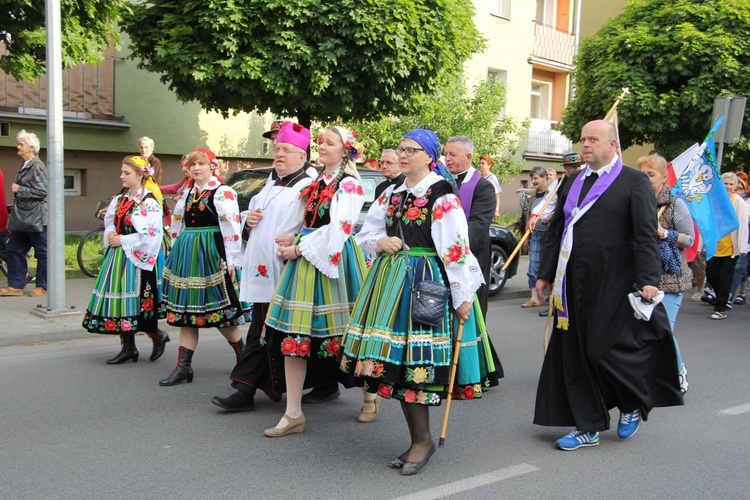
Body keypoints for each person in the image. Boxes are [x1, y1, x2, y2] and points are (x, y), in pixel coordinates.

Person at [339, 129, 496, 476]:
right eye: (401, 148)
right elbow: (365, 233)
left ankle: (422, 442)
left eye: (412, 150)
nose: (404, 154)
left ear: (429, 156)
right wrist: (381, 242)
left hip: (425, 283)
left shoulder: (442, 195)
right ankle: (418, 439)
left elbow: (455, 251)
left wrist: (462, 297)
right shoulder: (392, 193)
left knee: (417, 365)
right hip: (391, 282)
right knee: (396, 365)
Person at [534, 120, 682, 451]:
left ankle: (630, 401)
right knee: (576, 353)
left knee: (604, 349)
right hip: (572, 280)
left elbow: (645, 235)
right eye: (583, 139)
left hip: (616, 280)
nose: (585, 144)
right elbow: (557, 230)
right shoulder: (572, 180)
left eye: (593, 139)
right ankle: (588, 425)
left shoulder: (633, 181)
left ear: (613, 145)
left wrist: (648, 279)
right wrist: (545, 274)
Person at [262, 125, 368, 436]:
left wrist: (298, 247)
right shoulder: (315, 181)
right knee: (294, 336)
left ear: (344, 150)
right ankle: (293, 413)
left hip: (333, 261)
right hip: (304, 260)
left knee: (351, 333)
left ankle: (370, 397)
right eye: (321, 141)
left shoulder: (349, 185)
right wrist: (288, 236)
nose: (322, 146)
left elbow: (339, 230)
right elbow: (301, 219)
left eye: (330, 143)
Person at [211, 122, 321, 412]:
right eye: (276, 149)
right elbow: (256, 216)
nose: (279, 154)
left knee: (272, 331)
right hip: (262, 268)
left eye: (286, 150)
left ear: (302, 155)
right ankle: (321, 383)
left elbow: (313, 228)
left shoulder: (307, 186)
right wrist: (248, 221)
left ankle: (245, 390)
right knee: (264, 329)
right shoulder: (272, 182)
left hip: (287, 269)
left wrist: (295, 244)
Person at [158, 148, 249, 386]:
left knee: (219, 314)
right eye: (192, 165)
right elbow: (178, 226)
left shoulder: (223, 192)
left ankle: (243, 357)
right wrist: (175, 253)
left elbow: (232, 227)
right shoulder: (187, 193)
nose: (196, 169)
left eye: (201, 164)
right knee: (188, 313)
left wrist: (231, 261)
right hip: (188, 256)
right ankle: (183, 368)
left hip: (211, 254)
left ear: (212, 166)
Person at [82, 156, 170, 363]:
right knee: (122, 299)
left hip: (137, 256)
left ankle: (157, 335)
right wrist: (111, 235)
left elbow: (152, 233)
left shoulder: (148, 202)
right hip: (118, 255)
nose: (121, 176)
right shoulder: (121, 199)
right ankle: (129, 347)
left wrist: (124, 240)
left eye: (126, 173)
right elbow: (110, 220)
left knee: (139, 300)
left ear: (140, 175)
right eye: (122, 172)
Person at [636, 154, 694, 393]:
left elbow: (689, 240)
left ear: (663, 177)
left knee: (663, 331)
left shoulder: (675, 204)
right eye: (642, 174)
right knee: (640, 332)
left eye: (651, 174)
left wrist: (663, 233)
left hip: (669, 280)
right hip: (640, 278)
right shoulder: (636, 202)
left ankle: (678, 371)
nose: (646, 179)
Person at [444, 136, 495, 318]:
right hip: (444, 255)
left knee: (471, 313)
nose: (447, 158)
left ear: (468, 157)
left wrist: (449, 241)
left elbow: (479, 225)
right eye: (445, 154)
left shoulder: (483, 187)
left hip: (472, 255)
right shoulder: (441, 183)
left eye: (453, 154)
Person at [0, 130, 48, 297]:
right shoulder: (25, 165)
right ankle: (15, 285)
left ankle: (43, 286)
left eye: (21, 144)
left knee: (43, 252)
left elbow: (43, 191)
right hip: (23, 218)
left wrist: (20, 189)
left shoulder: (37, 166)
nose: (18, 146)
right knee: (13, 249)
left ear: (32, 147)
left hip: (36, 218)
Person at [704, 172, 748, 320]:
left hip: (730, 248)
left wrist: (742, 247)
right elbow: (706, 224)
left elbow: (742, 225)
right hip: (714, 246)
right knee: (711, 275)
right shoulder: (713, 200)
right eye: (725, 183)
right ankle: (723, 294)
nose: (728, 187)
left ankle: (720, 308)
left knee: (725, 278)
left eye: (731, 184)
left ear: (735, 186)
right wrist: (700, 246)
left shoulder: (738, 202)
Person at [521, 166, 553, 309]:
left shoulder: (552, 194)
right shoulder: (534, 195)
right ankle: (534, 298)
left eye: (536, 178)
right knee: (533, 266)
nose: (533, 182)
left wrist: (551, 217)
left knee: (549, 266)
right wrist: (526, 238)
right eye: (532, 178)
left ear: (545, 177)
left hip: (550, 235)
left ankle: (552, 299)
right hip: (535, 234)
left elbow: (558, 210)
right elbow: (529, 217)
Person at [479, 155, 502, 220]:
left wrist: (496, 210)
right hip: (479, 206)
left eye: (483, 163)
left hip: (488, 207)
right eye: (480, 163)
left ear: (489, 166)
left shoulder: (492, 178)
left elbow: (497, 196)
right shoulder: (479, 177)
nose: (480, 165)